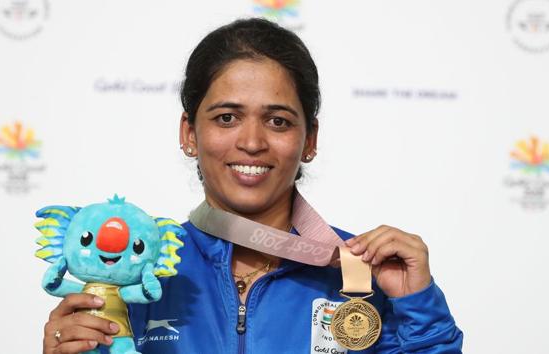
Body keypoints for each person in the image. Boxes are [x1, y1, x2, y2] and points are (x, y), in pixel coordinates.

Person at [42, 18, 463, 354]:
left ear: (309, 140)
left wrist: (418, 311)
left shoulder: (362, 273)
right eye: (227, 117)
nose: (252, 142)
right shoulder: (136, 271)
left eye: (277, 120)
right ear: (189, 133)